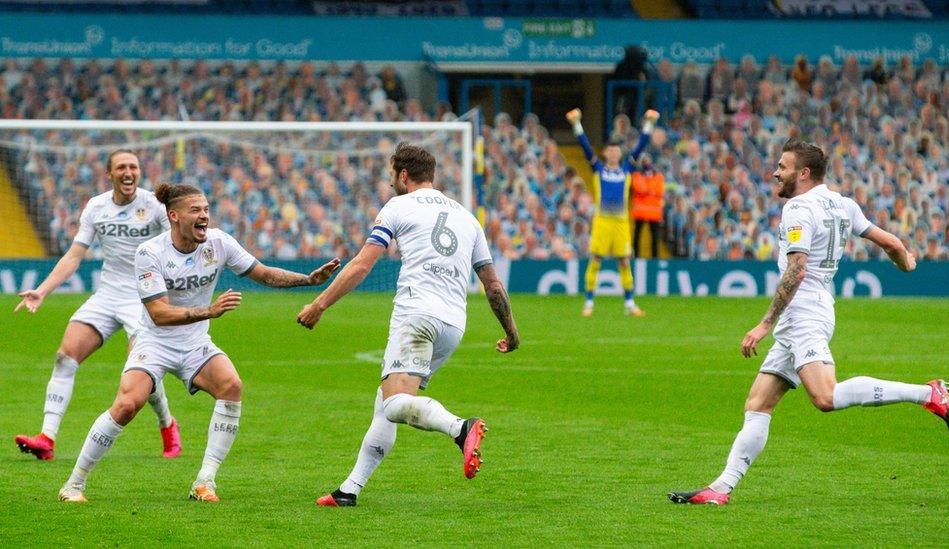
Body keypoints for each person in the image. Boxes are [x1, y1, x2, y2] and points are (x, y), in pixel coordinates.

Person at [668, 138, 949, 506]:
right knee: (758, 403)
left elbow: (797, 269)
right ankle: (721, 489)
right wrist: (905, 261)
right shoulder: (843, 204)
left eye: (783, 167)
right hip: (811, 309)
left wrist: (764, 324)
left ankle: (927, 393)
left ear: (803, 173)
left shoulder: (798, 208)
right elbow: (892, 243)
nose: (775, 172)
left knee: (825, 396)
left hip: (804, 311)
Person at [57, 183, 340, 503]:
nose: (204, 215)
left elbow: (263, 274)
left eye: (206, 209)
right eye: (196, 210)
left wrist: (307, 280)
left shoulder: (219, 242)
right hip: (155, 341)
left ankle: (205, 481)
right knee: (126, 405)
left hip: (194, 343)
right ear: (174, 216)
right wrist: (208, 310)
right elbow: (159, 313)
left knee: (231, 386)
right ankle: (74, 484)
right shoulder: (150, 253)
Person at [297, 143, 519, 507]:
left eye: (391, 177)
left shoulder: (397, 206)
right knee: (385, 400)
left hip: (416, 315)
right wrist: (511, 332)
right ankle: (350, 489)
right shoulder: (467, 217)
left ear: (403, 176)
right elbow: (492, 284)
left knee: (397, 403)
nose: (390, 185)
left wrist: (320, 304)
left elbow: (362, 264)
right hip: (453, 325)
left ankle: (460, 429)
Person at [14, 150, 182, 461]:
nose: (128, 172)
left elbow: (176, 241)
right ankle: (47, 438)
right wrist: (42, 291)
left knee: (141, 371)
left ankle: (168, 424)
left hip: (143, 298)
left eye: (133, 166)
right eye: (121, 167)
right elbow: (75, 255)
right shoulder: (97, 206)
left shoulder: (154, 205)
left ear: (139, 172)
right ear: (110, 174)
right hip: (107, 295)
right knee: (65, 356)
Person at [566, 107, 657, 317]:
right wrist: (576, 124)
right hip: (603, 221)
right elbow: (586, 148)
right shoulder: (599, 169)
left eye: (617, 150)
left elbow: (641, 144)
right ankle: (588, 302)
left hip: (621, 222)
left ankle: (629, 304)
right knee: (596, 259)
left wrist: (650, 122)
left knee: (624, 261)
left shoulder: (627, 169)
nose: (614, 153)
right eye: (611, 150)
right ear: (606, 153)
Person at [631, 155, 666, 258]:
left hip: (653, 212)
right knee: (637, 235)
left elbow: (660, 190)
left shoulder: (659, 176)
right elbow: (639, 188)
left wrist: (647, 188)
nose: (646, 163)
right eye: (644, 161)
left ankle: (654, 259)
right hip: (641, 211)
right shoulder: (637, 175)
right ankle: (636, 256)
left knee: (654, 237)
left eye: (648, 161)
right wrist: (651, 189)